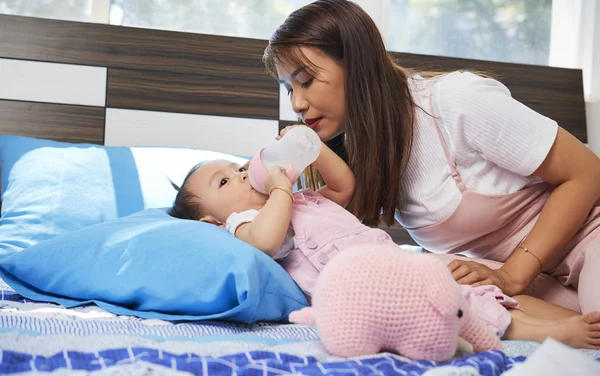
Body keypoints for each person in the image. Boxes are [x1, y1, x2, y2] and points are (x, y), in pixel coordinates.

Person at [263, 0, 600, 315]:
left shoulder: (455, 101)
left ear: (357, 66)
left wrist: (514, 274)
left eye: (306, 81)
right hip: (531, 279)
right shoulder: (361, 153)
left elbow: (588, 172)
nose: (297, 105)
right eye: (289, 89)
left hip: (587, 242)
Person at [168, 135, 600, 349]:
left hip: (397, 268)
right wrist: (279, 190)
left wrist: (311, 146)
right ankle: (557, 333)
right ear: (211, 221)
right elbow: (265, 242)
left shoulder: (302, 198)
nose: (243, 174)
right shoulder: (246, 223)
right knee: (458, 306)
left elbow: (345, 184)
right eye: (225, 180)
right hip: (369, 294)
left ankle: (554, 326)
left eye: (238, 167)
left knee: (469, 292)